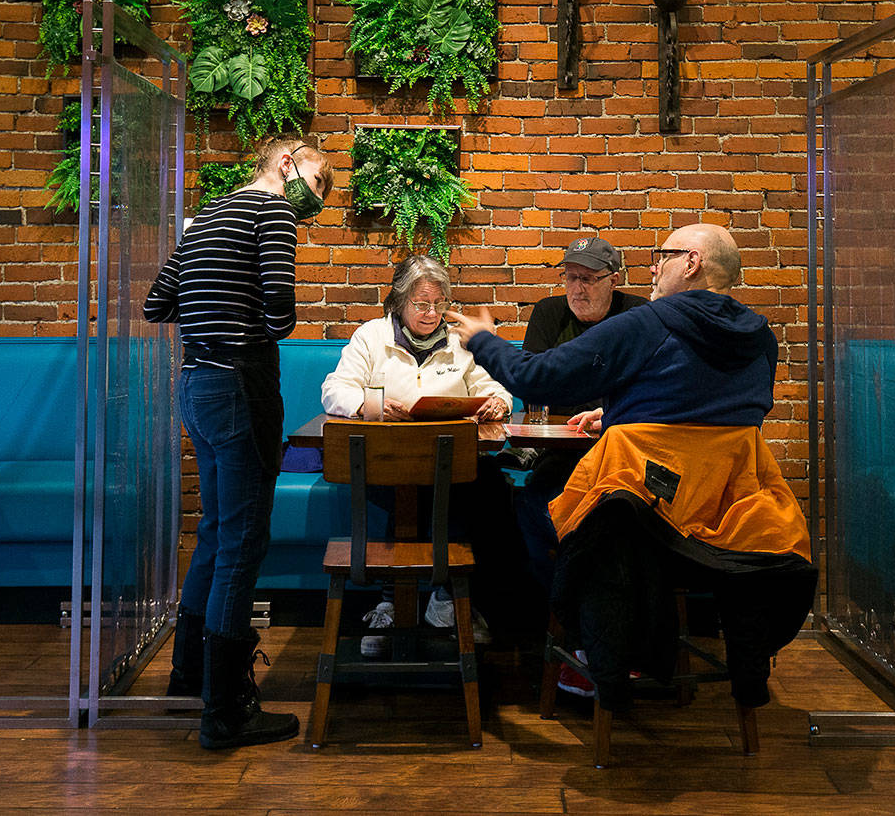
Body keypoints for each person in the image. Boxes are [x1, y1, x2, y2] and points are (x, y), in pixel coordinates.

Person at [447, 223, 816, 713]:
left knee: (536, 506)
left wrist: (484, 340)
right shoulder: (761, 339)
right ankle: (650, 639)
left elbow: (536, 379)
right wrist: (622, 414)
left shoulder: (651, 322)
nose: (653, 266)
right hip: (728, 530)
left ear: (691, 262)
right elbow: (709, 417)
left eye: (661, 255)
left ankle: (595, 643)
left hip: (641, 526)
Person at [143, 134, 332, 750]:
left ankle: (189, 678)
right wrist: (244, 319)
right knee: (245, 539)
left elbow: (156, 303)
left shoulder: (210, 215)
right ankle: (225, 712)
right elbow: (281, 316)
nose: (320, 196)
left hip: (195, 384)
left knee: (218, 530)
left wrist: (214, 313)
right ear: (286, 163)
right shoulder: (273, 211)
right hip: (239, 387)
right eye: (319, 177)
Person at [321, 254, 514, 657]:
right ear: (399, 302)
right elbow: (335, 390)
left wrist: (497, 402)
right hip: (383, 463)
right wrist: (369, 404)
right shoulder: (372, 336)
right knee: (430, 489)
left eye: (439, 304)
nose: (431, 314)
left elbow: (496, 386)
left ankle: (400, 602)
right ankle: (427, 600)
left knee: (478, 484)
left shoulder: (460, 342)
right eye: (421, 304)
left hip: (449, 464)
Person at [517, 236, 646, 614]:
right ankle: (572, 613)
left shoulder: (639, 315)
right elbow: (533, 385)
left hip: (625, 456)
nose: (577, 288)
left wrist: (597, 405)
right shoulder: (549, 313)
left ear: (615, 279)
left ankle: (594, 618)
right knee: (532, 504)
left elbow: (649, 388)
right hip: (564, 453)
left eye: (588, 278)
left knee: (610, 518)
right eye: (570, 277)